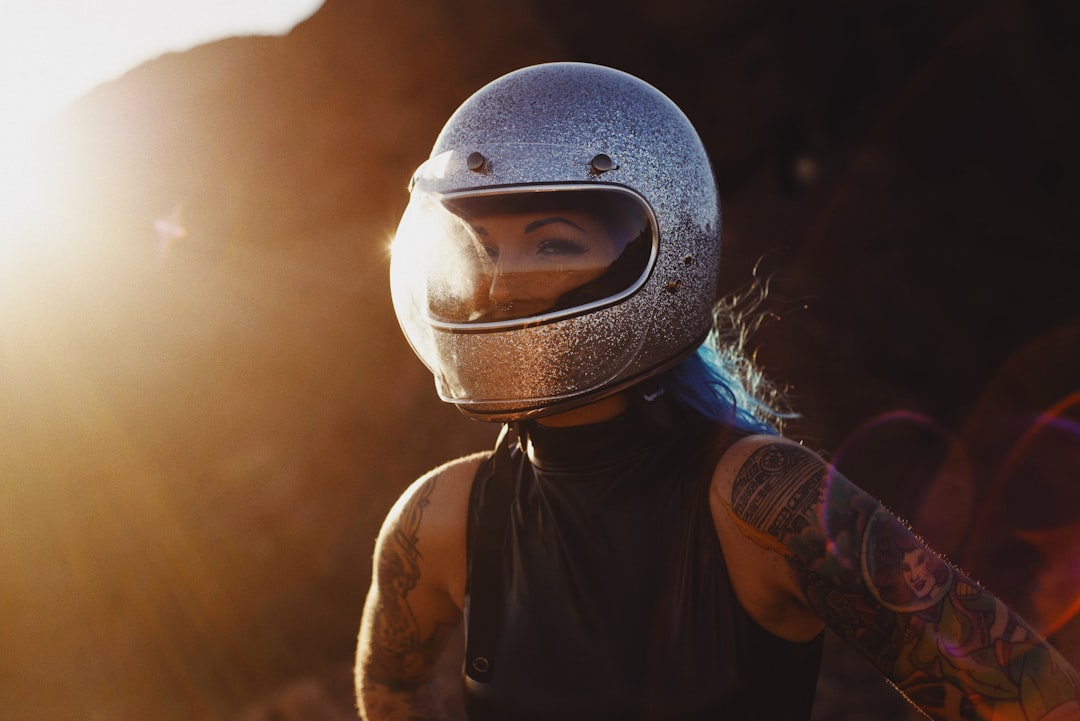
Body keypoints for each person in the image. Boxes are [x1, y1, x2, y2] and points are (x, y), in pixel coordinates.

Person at [355, 62, 1080, 721]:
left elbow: (1032, 700)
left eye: (551, 243)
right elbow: (388, 689)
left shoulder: (762, 501)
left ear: (657, 252)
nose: (499, 282)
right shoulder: (443, 515)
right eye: (483, 247)